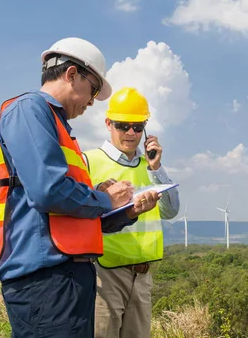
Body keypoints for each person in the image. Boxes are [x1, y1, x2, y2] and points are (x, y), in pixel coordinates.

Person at [0, 38, 161, 338]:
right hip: (45, 279)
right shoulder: (29, 110)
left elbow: (75, 212)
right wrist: (104, 199)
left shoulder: (60, 128)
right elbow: (48, 191)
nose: (91, 101)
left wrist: (125, 211)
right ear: (72, 74)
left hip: (65, 277)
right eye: (93, 90)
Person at [82, 87, 180, 338]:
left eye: (137, 127)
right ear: (108, 123)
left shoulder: (150, 166)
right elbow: (80, 214)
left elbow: (171, 211)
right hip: (105, 275)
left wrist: (156, 168)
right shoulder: (89, 161)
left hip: (143, 275)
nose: (130, 133)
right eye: (123, 125)